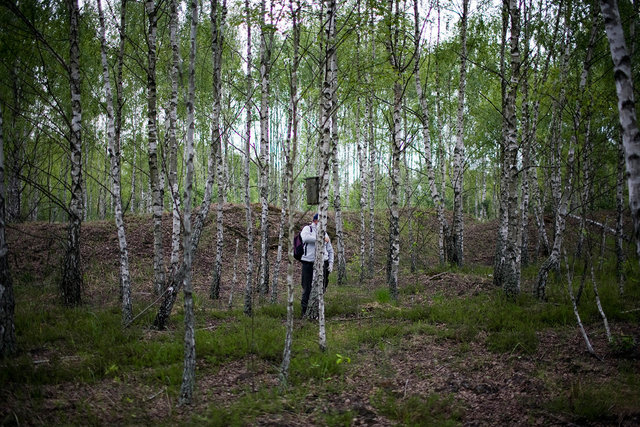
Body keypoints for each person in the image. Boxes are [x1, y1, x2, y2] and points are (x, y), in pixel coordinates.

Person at [300, 213, 334, 317]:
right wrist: (321, 238)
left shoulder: (325, 233)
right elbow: (305, 239)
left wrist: (331, 263)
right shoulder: (307, 229)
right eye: (322, 221)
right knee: (307, 287)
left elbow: (330, 249)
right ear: (315, 221)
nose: (325, 224)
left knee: (322, 287)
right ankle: (305, 312)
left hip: (323, 263)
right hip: (308, 263)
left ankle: (317, 310)